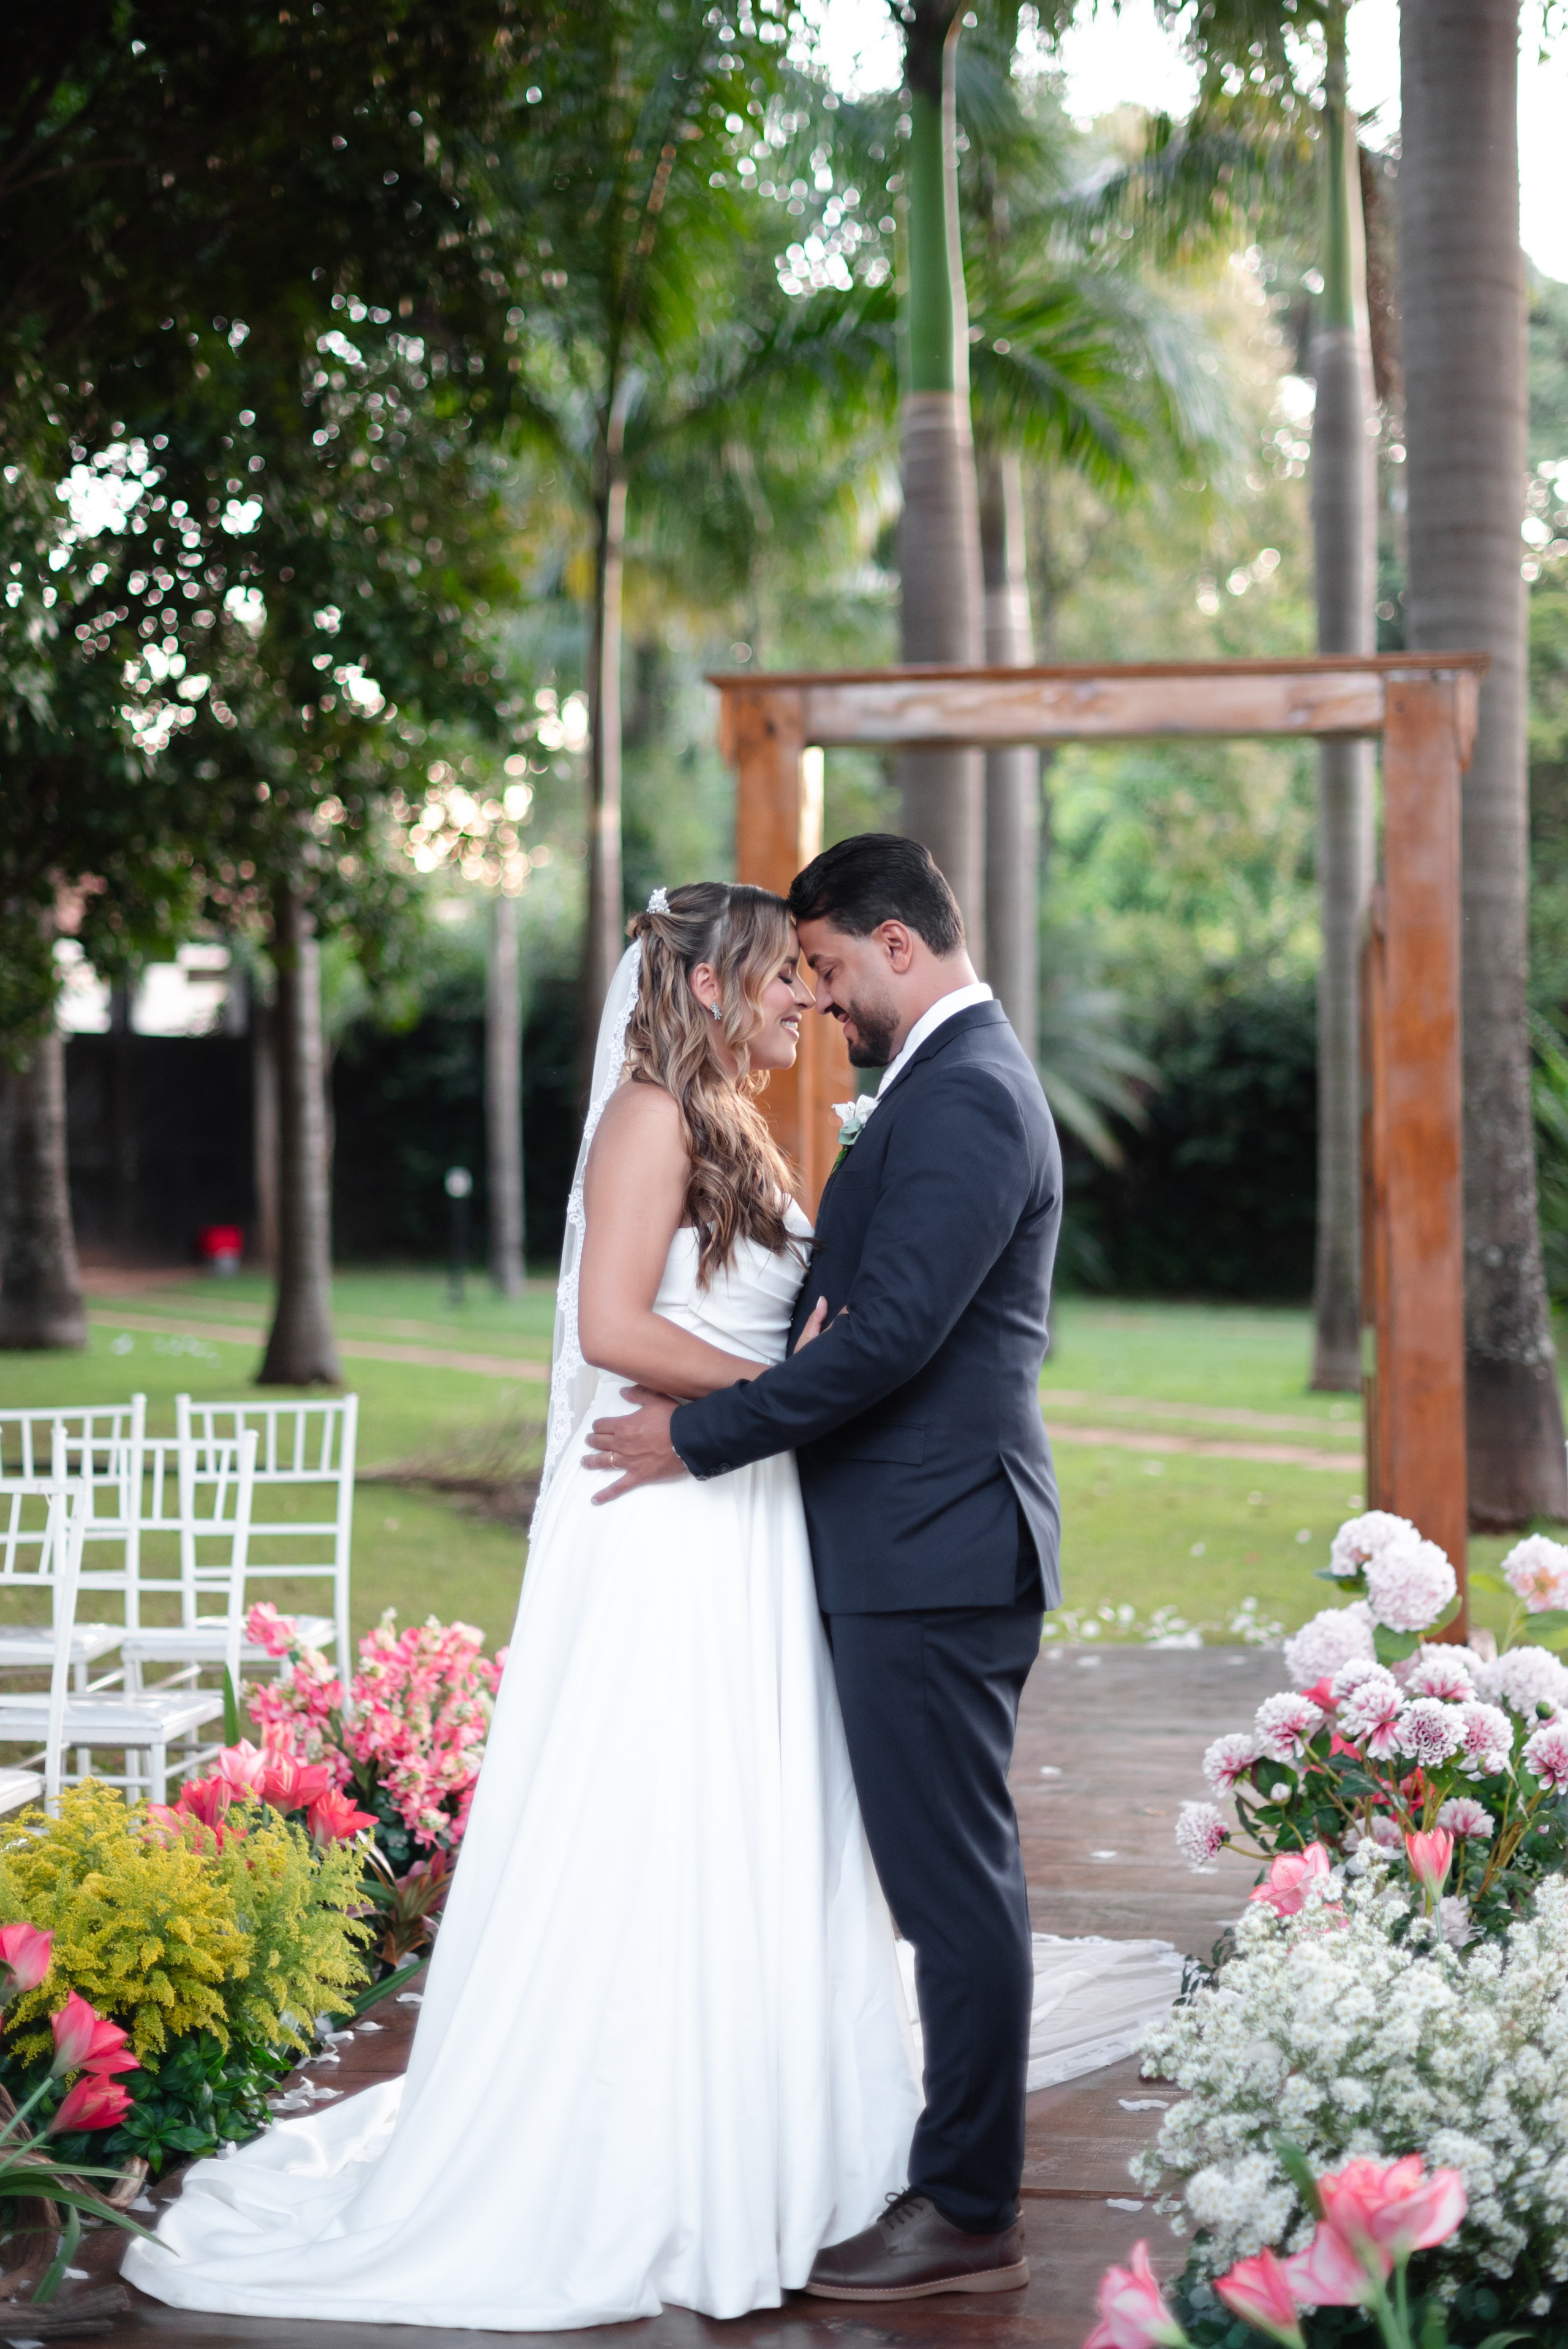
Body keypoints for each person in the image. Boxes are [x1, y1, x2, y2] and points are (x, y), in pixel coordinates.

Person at [124, 881, 921, 2331]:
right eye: (777, 981)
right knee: (653, 1818)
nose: (804, 1001)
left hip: (731, 1508)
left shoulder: (729, 1124)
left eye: (810, 982)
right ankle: (628, 2147)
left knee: (737, 1816)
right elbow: (612, 1327)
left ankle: (739, 2117)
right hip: (667, 1522)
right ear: (700, 990)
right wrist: (794, 1397)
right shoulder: (645, 1121)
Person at [586, 833, 1062, 2303]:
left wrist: (706, 1432)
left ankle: (969, 2204)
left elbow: (891, 1340)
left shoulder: (969, 1097)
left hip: (933, 1550)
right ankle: (920, 2169)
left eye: (836, 967)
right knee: (928, 1876)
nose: (826, 999)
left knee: (949, 1886)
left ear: (897, 947)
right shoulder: (931, 1090)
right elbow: (855, 1311)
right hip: (900, 1544)